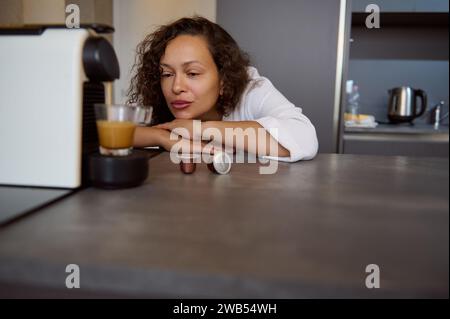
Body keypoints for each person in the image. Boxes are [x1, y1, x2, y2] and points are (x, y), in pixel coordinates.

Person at [128, 16, 318, 162]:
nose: (176, 87)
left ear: (224, 79)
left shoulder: (250, 89)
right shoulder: (157, 96)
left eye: (193, 73)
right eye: (167, 74)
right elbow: (114, 131)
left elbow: (304, 137)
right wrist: (161, 137)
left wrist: (199, 129)